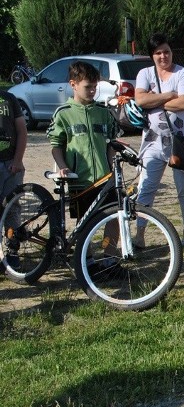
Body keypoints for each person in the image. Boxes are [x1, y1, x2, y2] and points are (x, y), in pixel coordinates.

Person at [47, 61, 121, 267]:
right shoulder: (63, 113)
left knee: (113, 218)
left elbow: (111, 145)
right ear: (73, 84)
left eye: (95, 86)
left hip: (105, 179)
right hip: (80, 180)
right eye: (88, 86)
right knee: (84, 224)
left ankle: (110, 257)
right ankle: (86, 260)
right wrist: (62, 167)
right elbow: (56, 145)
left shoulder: (103, 112)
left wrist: (112, 167)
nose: (92, 91)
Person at [134, 33, 184, 248]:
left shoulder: (182, 73)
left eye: (167, 51)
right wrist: (170, 95)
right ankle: (140, 233)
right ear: (152, 55)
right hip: (153, 140)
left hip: (180, 140)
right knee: (147, 187)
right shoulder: (144, 73)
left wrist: (155, 100)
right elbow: (140, 100)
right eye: (158, 52)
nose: (163, 56)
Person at [0, 88, 27, 204]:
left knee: (11, 207)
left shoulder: (10, 98)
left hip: (10, 163)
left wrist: (18, 160)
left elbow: (22, 131)